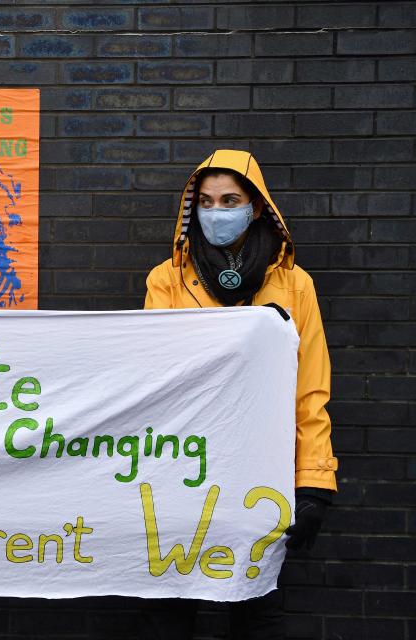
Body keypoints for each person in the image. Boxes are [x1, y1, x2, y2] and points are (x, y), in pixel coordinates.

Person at [140, 149, 337, 639]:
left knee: (255, 610)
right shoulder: (166, 281)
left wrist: (313, 480)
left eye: (230, 199)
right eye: (206, 201)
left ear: (255, 207)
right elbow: (149, 377)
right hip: (183, 469)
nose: (217, 211)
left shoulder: (295, 286)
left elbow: (309, 388)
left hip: (259, 471)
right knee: (172, 606)